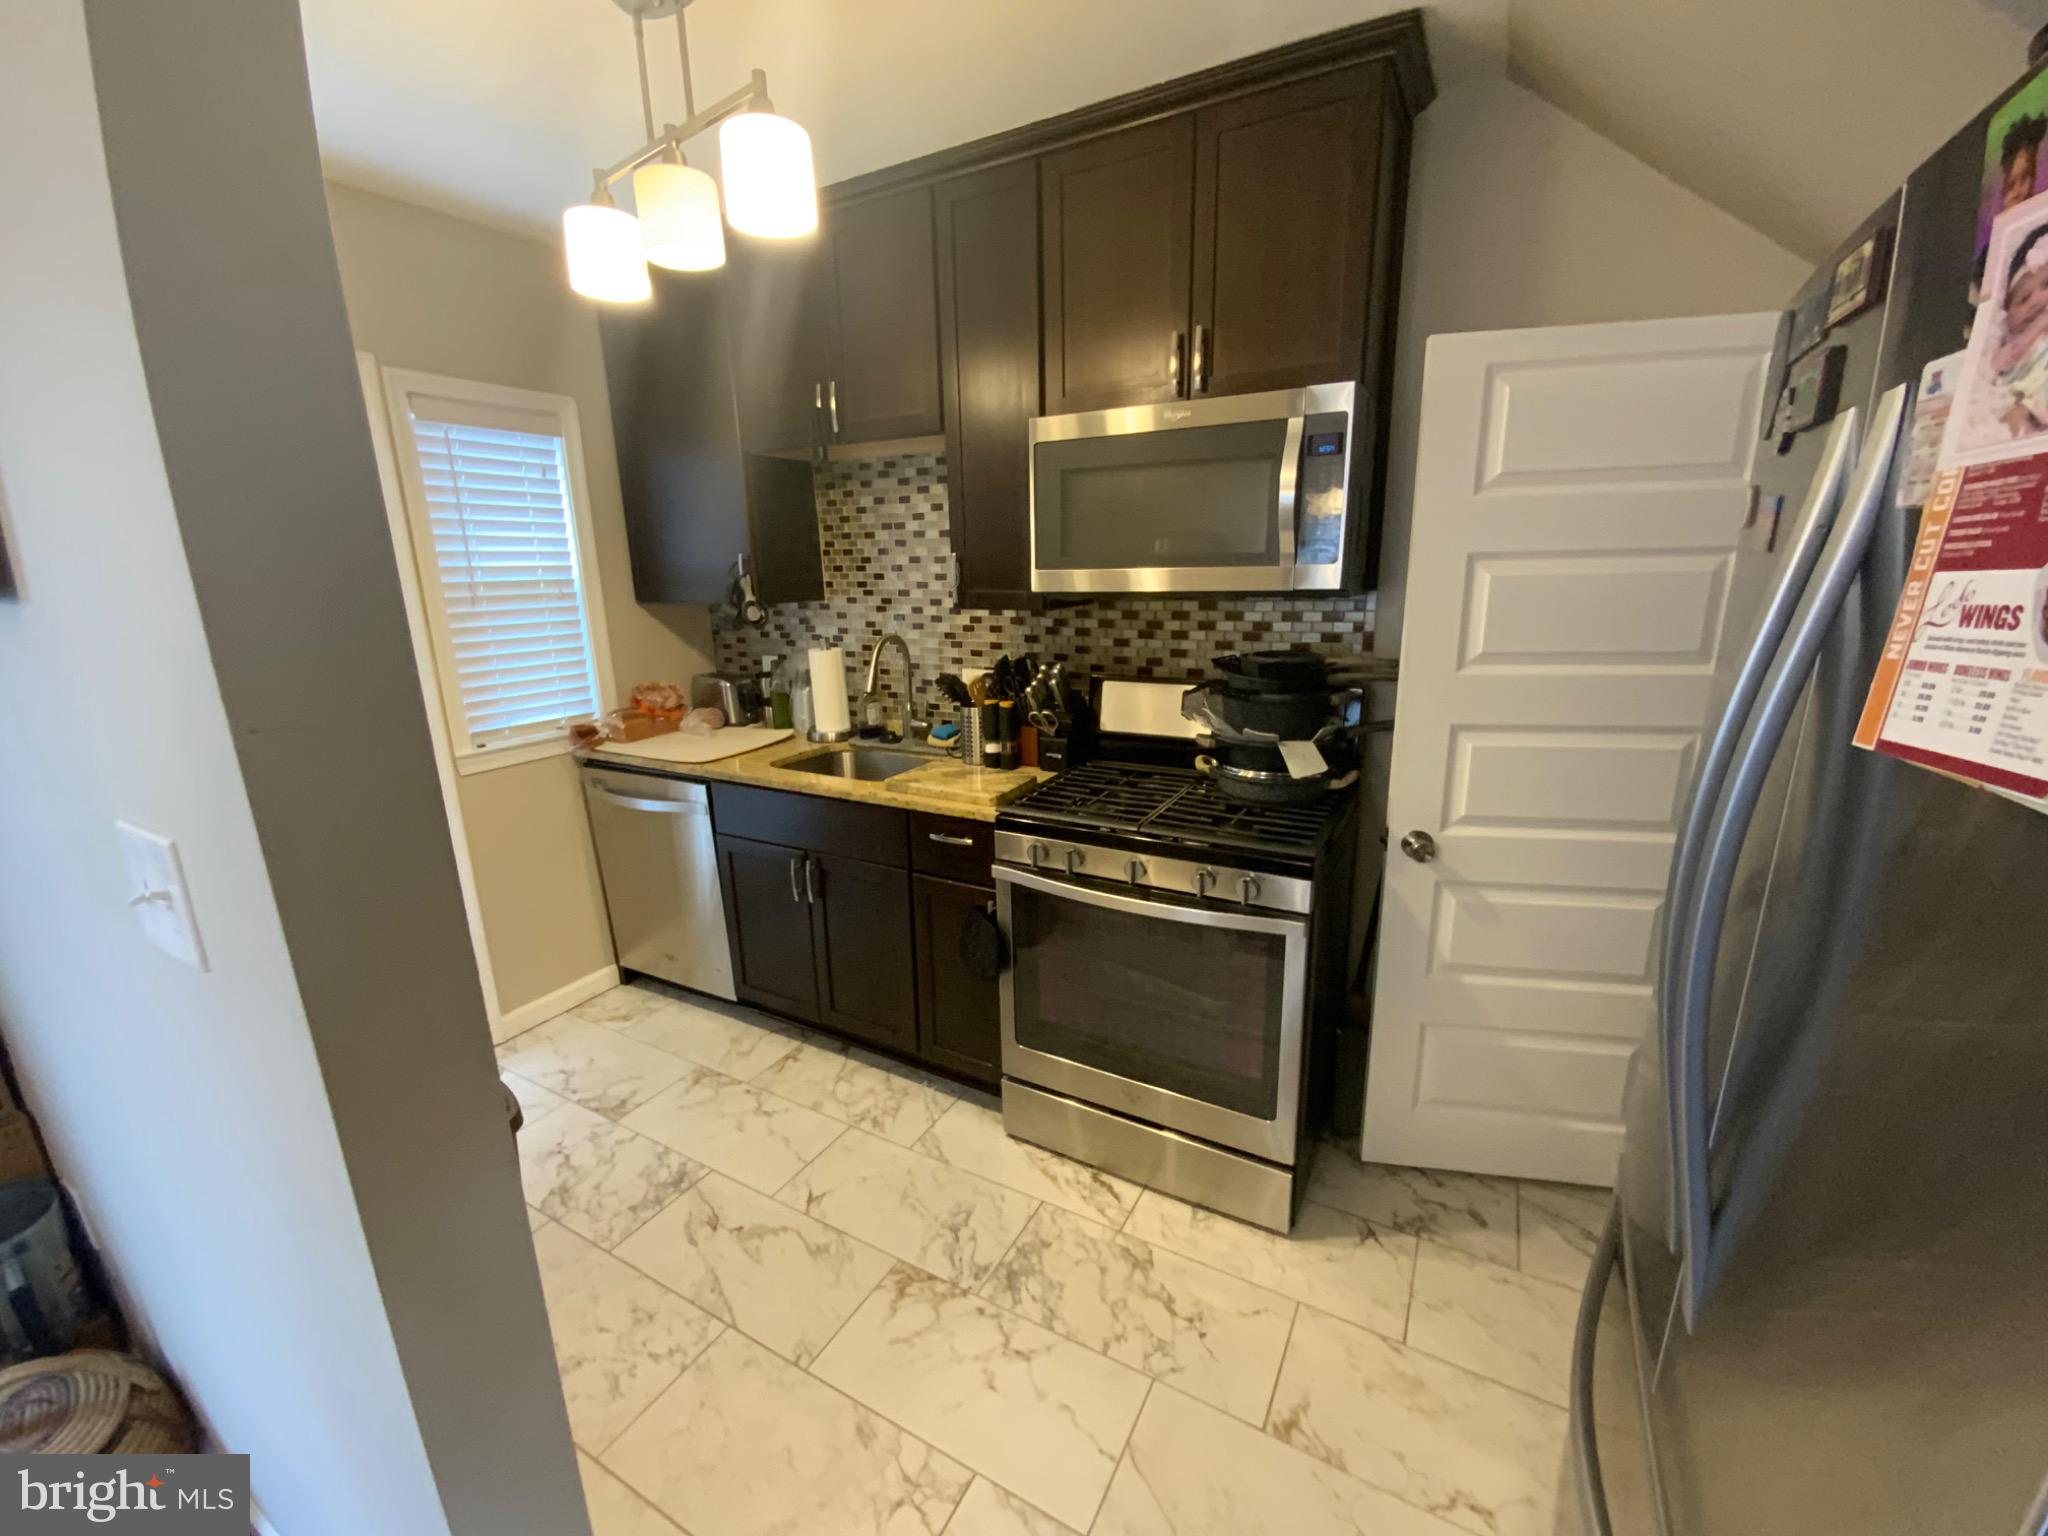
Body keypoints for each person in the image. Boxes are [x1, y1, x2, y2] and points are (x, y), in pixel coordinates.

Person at [1989, 223, 2048, 439]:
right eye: (2023, 299)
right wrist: (2035, 329)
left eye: (2047, 284)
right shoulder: (2013, 344)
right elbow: (1997, 368)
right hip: (2024, 402)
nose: (2036, 301)